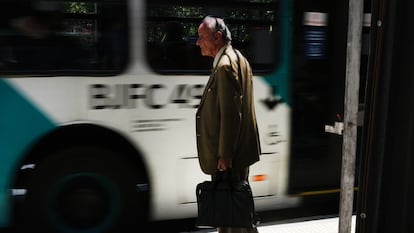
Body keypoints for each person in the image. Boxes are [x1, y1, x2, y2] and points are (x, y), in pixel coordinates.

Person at [195, 16, 261, 233]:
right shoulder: (238, 58)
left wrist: (225, 155)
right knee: (237, 215)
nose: (198, 42)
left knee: (232, 218)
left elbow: (231, 114)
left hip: (230, 157)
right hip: (238, 152)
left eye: (202, 37)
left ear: (218, 37)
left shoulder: (224, 66)